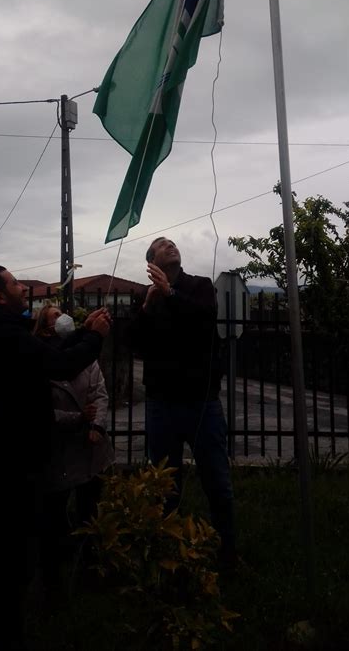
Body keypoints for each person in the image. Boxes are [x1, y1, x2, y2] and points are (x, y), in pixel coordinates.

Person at [0, 266, 110, 651]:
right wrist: (95, 338)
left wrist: (82, 332)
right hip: (12, 462)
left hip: (6, 457)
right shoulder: (2, 333)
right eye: (14, 283)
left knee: (10, 549)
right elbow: (59, 365)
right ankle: (0, 634)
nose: (23, 287)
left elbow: (46, 354)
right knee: (12, 555)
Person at [131, 237, 235, 565]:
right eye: (162, 245)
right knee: (164, 486)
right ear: (152, 262)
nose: (171, 246)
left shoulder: (199, 286)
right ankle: (164, 554)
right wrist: (147, 308)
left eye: (173, 243)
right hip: (161, 403)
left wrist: (170, 294)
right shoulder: (146, 298)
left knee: (216, 480)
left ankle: (227, 553)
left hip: (201, 402)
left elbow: (203, 320)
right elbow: (135, 345)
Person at [33, 305, 115, 574]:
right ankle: (55, 567)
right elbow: (42, 412)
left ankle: (89, 560)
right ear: (45, 327)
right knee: (55, 512)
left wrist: (97, 426)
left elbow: (100, 394)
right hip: (59, 452)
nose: (61, 318)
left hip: (91, 449)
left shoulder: (82, 353)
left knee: (90, 509)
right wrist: (78, 419)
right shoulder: (42, 358)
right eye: (54, 316)